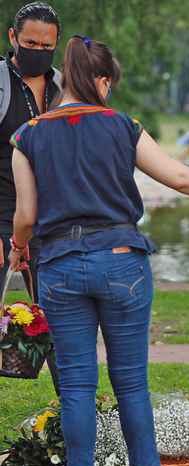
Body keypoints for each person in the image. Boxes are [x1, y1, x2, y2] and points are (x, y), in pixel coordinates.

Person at [8, 36, 189, 466]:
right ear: (101, 81)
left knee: (75, 384)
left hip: (58, 268)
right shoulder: (123, 126)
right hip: (121, 263)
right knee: (131, 381)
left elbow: (27, 217)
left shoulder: (27, 136)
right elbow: (178, 176)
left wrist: (18, 246)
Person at [0, 2, 61, 297]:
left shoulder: (64, 88)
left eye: (46, 46)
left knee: (55, 316)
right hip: (2, 214)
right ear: (13, 37)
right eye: (30, 43)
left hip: (51, 219)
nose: (38, 51)